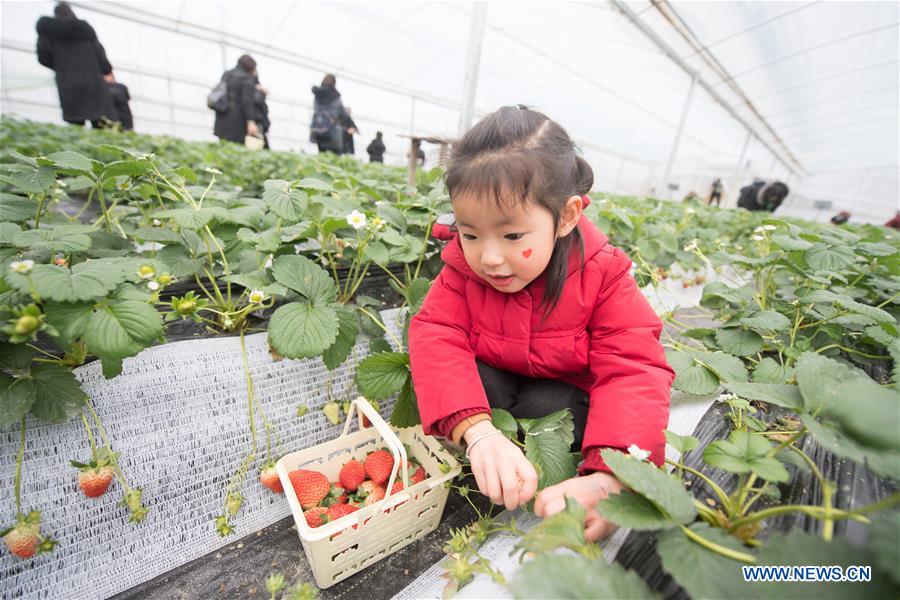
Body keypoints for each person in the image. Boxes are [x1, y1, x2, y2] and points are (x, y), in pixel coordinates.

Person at [408, 106, 674, 542]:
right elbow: (435, 334)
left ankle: (549, 466)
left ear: (566, 217)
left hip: (560, 395)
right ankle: (492, 450)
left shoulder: (602, 275)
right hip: (501, 386)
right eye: (471, 234)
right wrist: (476, 433)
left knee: (548, 409)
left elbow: (634, 368)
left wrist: (613, 477)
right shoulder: (461, 270)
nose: (489, 258)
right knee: (478, 390)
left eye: (512, 236)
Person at [36, 2, 115, 127]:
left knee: (76, 121)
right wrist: (105, 69)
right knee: (100, 119)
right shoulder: (85, 29)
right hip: (92, 80)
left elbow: (44, 57)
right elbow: (101, 55)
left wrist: (61, 67)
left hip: (67, 81)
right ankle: (99, 145)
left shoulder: (48, 30)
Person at [213, 55, 260, 144]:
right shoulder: (247, 78)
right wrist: (251, 121)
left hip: (222, 118)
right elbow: (247, 102)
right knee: (236, 149)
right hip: (237, 123)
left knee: (224, 147)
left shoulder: (227, 74)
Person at [310, 73, 348, 154]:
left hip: (318, 130)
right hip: (333, 131)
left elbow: (316, 109)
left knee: (322, 157)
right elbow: (343, 114)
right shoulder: (336, 98)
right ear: (334, 83)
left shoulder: (317, 95)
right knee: (335, 159)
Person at [253, 76, 270, 149]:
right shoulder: (256, 92)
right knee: (258, 145)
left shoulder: (255, 91)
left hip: (257, 123)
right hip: (257, 122)